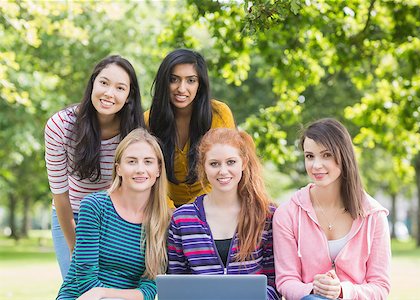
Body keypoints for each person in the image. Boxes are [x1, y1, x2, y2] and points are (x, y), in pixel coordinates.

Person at [45, 55, 144, 278]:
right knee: (79, 285)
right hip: (73, 214)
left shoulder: (135, 133)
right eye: (104, 83)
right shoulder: (60, 126)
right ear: (93, 84)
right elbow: (60, 195)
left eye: (120, 88)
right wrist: (75, 250)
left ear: (129, 96)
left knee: (114, 287)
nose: (109, 93)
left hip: (117, 217)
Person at [273, 118, 391, 300]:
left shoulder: (374, 215)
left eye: (326, 155)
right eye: (309, 156)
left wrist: (342, 291)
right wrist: (314, 289)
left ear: (343, 156)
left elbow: (380, 286)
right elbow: (286, 281)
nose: (316, 165)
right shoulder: (287, 214)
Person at [56, 128, 171, 300]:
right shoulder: (95, 206)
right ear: (119, 168)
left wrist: (104, 292)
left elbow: (150, 288)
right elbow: (86, 280)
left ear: (158, 170)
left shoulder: (165, 219)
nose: (140, 169)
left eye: (148, 162)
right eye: (131, 161)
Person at [167, 128, 280, 300]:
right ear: (203, 167)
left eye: (231, 162)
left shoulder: (266, 215)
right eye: (214, 164)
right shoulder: (182, 219)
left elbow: (274, 283)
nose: (223, 171)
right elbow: (176, 283)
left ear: (243, 163)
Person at [145, 48, 235, 207]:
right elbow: (148, 175)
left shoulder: (219, 114)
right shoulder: (149, 120)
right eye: (174, 79)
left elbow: (226, 167)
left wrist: (190, 211)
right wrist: (170, 211)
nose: (181, 88)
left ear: (200, 84)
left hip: (213, 204)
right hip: (162, 208)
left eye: (191, 80)